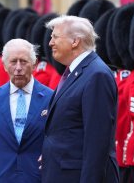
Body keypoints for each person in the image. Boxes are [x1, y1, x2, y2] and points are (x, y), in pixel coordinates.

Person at [41, 15, 119, 183]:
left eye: (55, 37)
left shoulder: (96, 74)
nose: (50, 43)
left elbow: (97, 141)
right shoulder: (76, 72)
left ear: (75, 41)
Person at [0, 38, 53, 183]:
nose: (18, 67)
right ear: (4, 65)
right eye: (13, 61)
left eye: (23, 61)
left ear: (34, 65)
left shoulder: (51, 98)